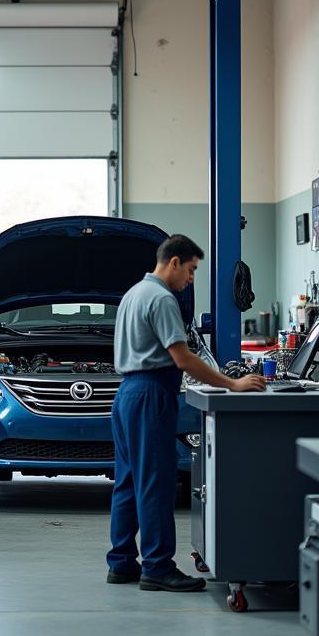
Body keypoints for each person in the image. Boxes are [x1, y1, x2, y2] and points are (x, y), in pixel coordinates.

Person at [107, 234, 265, 591]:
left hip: (126, 394)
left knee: (128, 481)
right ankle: (158, 567)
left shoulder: (133, 293)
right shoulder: (162, 298)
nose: (191, 279)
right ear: (174, 262)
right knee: (156, 484)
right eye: (192, 270)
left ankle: (121, 562)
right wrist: (233, 384)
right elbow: (183, 358)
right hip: (151, 393)